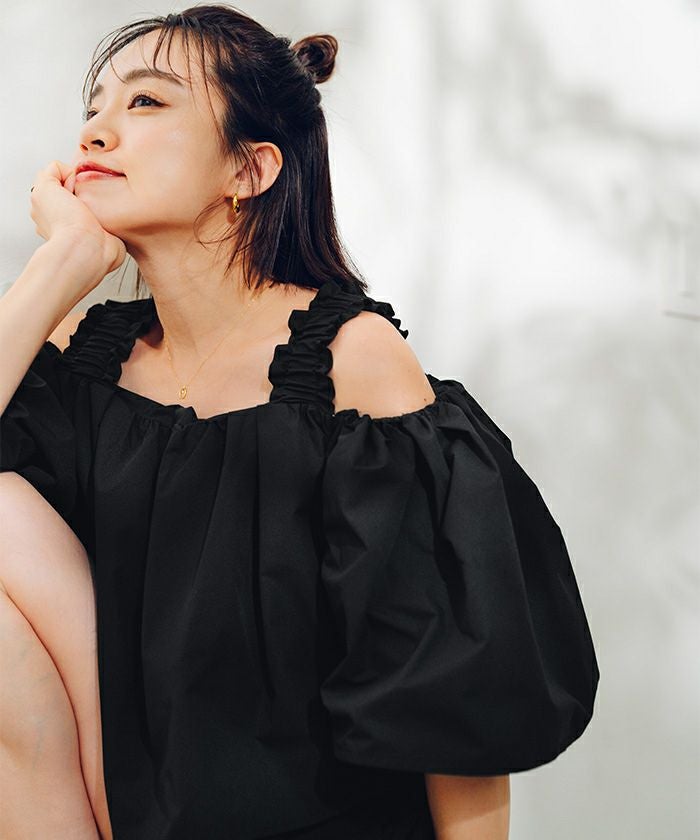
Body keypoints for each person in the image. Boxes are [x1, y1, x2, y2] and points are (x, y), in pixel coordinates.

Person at [0, 5, 600, 839]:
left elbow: (450, 695)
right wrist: (57, 265)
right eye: (93, 108)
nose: (95, 132)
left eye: (145, 101)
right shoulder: (84, 358)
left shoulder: (352, 363)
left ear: (249, 169)